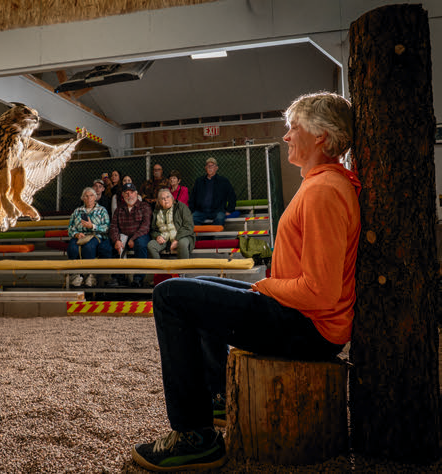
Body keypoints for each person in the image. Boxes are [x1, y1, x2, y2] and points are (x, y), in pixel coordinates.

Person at [131, 92, 360, 471]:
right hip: (298, 313)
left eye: (293, 128)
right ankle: (219, 397)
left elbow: (320, 292)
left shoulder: (324, 191)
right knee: (198, 287)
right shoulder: (322, 183)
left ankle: (195, 436)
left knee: (169, 296)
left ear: (321, 136)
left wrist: (266, 286)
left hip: (310, 327)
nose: (286, 137)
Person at [108, 182, 151, 288]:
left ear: (136, 194)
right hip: (124, 236)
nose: (129, 195)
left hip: (140, 236)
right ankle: (119, 278)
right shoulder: (119, 209)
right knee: (111, 245)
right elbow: (113, 227)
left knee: (140, 244)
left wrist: (133, 238)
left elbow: (145, 226)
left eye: (131, 193)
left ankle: (138, 279)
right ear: (123, 195)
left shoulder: (144, 206)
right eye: (126, 193)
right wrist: (117, 240)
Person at [67, 187, 112, 288]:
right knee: (72, 248)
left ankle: (90, 275)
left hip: (95, 235)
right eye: (86, 196)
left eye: (91, 195)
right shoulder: (77, 211)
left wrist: (92, 226)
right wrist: (76, 234)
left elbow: (107, 227)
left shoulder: (101, 210)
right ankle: (75, 275)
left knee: (89, 247)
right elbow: (70, 228)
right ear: (83, 198)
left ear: (95, 198)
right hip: (80, 236)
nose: (89, 198)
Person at [147, 188, 195, 259]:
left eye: (167, 197)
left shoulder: (181, 207)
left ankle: (184, 269)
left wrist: (177, 239)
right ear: (159, 201)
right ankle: (159, 268)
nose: (166, 199)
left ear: (172, 198)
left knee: (182, 244)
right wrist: (157, 236)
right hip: (164, 238)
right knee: (151, 245)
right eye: (162, 198)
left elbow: (188, 226)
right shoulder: (156, 212)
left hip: (182, 236)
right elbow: (153, 229)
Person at [188, 157, 236, 226]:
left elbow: (232, 196)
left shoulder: (223, 181)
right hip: (201, 211)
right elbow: (193, 197)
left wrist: (229, 210)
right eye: (208, 166)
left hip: (217, 211)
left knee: (220, 218)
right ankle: (199, 237)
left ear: (216, 168)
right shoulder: (199, 181)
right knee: (191, 219)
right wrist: (191, 211)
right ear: (205, 168)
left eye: (212, 166)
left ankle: (212, 236)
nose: (210, 167)